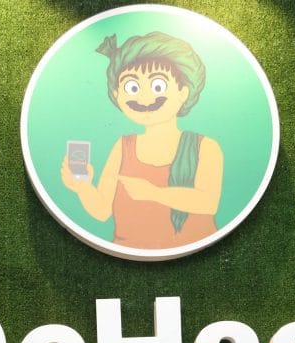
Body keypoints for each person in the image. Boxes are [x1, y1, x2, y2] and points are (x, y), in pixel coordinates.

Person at [61, 31, 224, 250]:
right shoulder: (123, 146)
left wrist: (152, 193)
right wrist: (83, 187)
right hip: (127, 248)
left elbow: (208, 203)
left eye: (157, 86)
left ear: (183, 92)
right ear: (117, 96)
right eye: (132, 87)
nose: (144, 97)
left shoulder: (205, 147)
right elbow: (102, 211)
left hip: (191, 251)